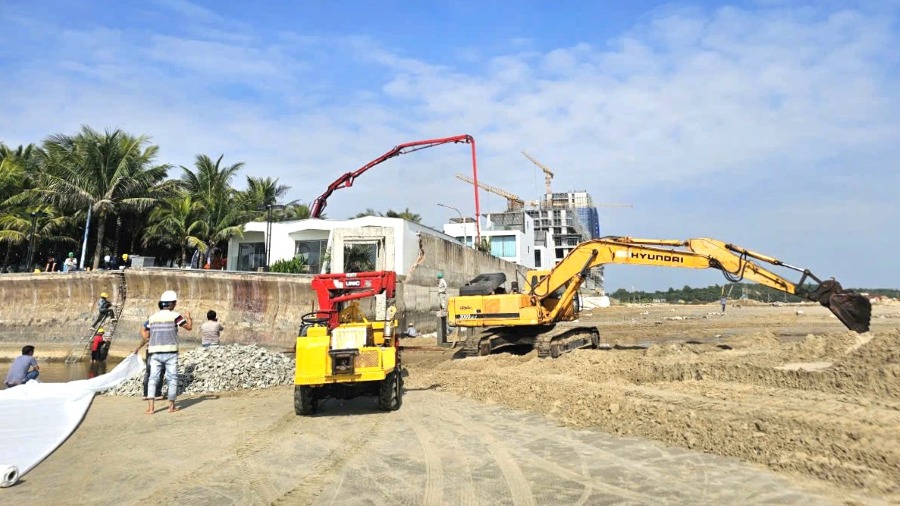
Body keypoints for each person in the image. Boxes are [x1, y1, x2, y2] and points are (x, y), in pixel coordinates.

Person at [143, 290, 192, 414]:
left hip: (155, 352)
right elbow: (189, 327)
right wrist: (189, 318)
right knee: (172, 379)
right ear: (172, 304)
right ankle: (171, 407)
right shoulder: (176, 316)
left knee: (153, 379)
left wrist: (151, 337)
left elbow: (145, 332)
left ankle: (151, 408)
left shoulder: (152, 318)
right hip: (171, 352)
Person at [135, 320, 164, 400]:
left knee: (148, 371)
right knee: (160, 371)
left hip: (150, 349)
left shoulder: (151, 322)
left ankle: (146, 394)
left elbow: (146, 335)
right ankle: (157, 394)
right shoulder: (163, 323)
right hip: (160, 350)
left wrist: (138, 347)